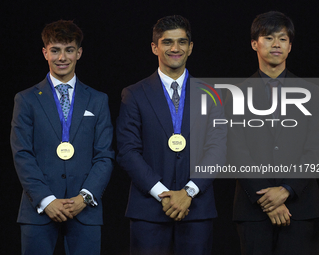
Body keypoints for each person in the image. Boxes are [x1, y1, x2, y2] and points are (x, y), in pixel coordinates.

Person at [116, 15, 226, 255]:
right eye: (167, 42)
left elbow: (218, 149)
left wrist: (188, 192)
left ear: (190, 47)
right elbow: (127, 150)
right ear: (155, 47)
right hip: (149, 210)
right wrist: (162, 194)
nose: (175, 48)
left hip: (196, 208)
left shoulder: (212, 94)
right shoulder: (134, 94)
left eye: (182, 42)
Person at [226, 11, 319, 255]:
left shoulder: (311, 93)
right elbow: (235, 150)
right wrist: (268, 201)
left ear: (290, 46)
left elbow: (316, 150)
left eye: (282, 39)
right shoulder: (236, 94)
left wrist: (286, 190)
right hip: (252, 210)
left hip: (299, 207)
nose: (276, 44)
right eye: (269, 38)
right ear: (254, 44)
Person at [10, 20, 114, 255]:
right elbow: (22, 154)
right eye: (55, 50)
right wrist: (46, 199)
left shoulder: (97, 100)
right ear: (45, 52)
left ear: (79, 52)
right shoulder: (26, 99)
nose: (62, 57)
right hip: (38, 209)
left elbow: (105, 155)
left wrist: (84, 197)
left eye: (69, 50)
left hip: (85, 210)